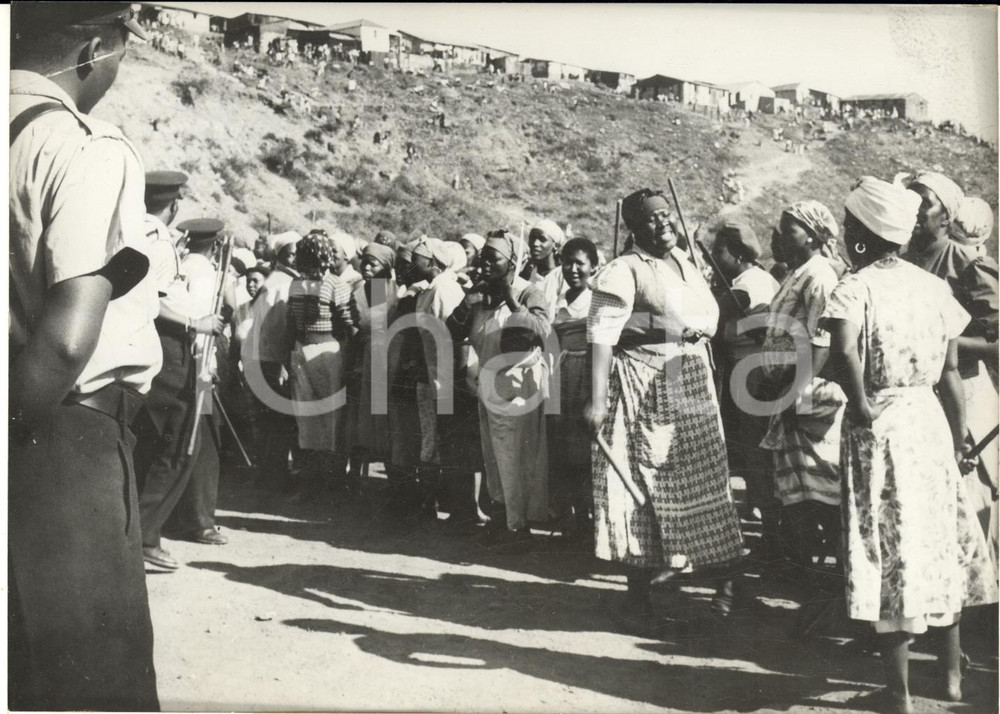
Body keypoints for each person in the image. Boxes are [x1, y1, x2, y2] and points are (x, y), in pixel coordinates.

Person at [9, 4, 161, 708]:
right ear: (93, 49)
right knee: (90, 682)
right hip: (56, 437)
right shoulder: (83, 146)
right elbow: (69, 338)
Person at [822, 177, 997, 713]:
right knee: (936, 542)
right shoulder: (932, 287)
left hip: (883, 424)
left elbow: (844, 352)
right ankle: (951, 677)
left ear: (862, 233)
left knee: (889, 548)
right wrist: (957, 439)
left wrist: (861, 404)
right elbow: (950, 372)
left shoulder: (855, 287)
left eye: (849, 225)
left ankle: (897, 695)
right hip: (929, 423)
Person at [584, 189, 744, 628]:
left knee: (707, 480)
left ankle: (728, 581)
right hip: (643, 385)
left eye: (666, 215)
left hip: (692, 382)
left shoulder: (685, 263)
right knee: (642, 485)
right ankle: (638, 599)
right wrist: (597, 400)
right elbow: (601, 336)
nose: (663, 223)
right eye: (651, 219)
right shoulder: (624, 270)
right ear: (634, 229)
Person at [904, 173, 999, 566]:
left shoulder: (967, 263)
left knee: (971, 504)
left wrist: (943, 344)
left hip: (966, 398)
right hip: (922, 400)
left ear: (946, 216)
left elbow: (996, 340)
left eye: (923, 204)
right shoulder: (901, 260)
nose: (913, 211)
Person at [759, 201, 846, 584]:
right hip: (792, 393)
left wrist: (794, 393)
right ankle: (807, 577)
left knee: (821, 494)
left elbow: (821, 343)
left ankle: (831, 580)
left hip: (809, 398)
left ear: (811, 235)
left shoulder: (820, 276)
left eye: (789, 229)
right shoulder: (799, 272)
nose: (781, 236)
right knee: (800, 495)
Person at [447, 230, 551, 546]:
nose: (486, 264)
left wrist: (510, 297)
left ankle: (517, 528)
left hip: (519, 386)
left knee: (514, 458)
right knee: (493, 457)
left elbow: (543, 331)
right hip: (488, 385)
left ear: (512, 263)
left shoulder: (529, 292)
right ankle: (502, 519)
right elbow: (452, 331)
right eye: (484, 258)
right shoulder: (480, 295)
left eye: (494, 259)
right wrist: (467, 302)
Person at [708, 222, 781, 561]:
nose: (713, 257)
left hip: (752, 375)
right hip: (750, 372)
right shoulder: (754, 279)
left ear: (738, 254)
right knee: (757, 455)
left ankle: (773, 536)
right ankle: (771, 531)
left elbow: (714, 316)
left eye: (719, 252)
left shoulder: (748, 285)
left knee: (757, 454)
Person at [284, 231, 358, 501]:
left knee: (320, 418)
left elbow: (349, 323)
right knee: (314, 418)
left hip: (318, 350)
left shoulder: (324, 284)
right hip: (313, 350)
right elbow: (349, 324)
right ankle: (315, 483)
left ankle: (324, 483)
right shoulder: (310, 284)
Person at [545, 237, 598, 537]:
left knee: (585, 450)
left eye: (580, 263)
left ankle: (589, 518)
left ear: (594, 267)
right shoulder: (558, 300)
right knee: (563, 448)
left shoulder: (597, 300)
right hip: (561, 375)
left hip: (587, 375)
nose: (573, 269)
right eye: (567, 262)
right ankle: (572, 518)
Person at [411, 237, 468, 510]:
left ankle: (444, 504)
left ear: (432, 261)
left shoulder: (445, 289)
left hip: (444, 379)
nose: (413, 264)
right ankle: (429, 504)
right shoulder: (429, 289)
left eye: (417, 259)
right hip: (430, 375)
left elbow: (454, 337)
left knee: (440, 441)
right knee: (430, 439)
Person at [242, 231, 301, 490]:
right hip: (272, 360)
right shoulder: (280, 284)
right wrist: (282, 364)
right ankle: (274, 476)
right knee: (277, 421)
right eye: (291, 254)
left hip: (265, 358)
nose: (296, 258)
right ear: (280, 255)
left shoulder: (280, 280)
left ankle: (267, 473)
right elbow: (276, 329)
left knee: (271, 421)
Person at [347, 243, 398, 488]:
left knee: (380, 420)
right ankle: (356, 475)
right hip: (365, 357)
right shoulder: (361, 289)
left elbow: (374, 324)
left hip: (384, 359)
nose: (366, 268)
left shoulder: (385, 289)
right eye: (364, 263)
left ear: (385, 267)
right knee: (363, 418)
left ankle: (391, 479)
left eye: (373, 264)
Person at [520, 219, 565, 284]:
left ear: (556, 246)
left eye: (542, 239)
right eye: (532, 238)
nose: (535, 243)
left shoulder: (561, 277)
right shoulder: (523, 268)